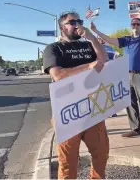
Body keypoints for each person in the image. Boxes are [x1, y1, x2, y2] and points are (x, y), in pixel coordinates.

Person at [43, 11, 109, 179]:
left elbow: (104, 60)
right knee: (68, 162)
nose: (77, 25)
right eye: (72, 22)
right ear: (61, 27)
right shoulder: (53, 49)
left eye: (79, 21)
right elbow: (58, 75)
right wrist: (88, 67)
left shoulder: (88, 45)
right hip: (67, 112)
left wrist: (93, 38)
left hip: (93, 109)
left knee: (101, 155)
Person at [90, 6, 140, 143]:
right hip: (126, 74)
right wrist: (95, 31)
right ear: (130, 26)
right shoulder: (126, 40)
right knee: (130, 102)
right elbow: (109, 40)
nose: (135, 26)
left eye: (138, 24)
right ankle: (135, 128)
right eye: (133, 24)